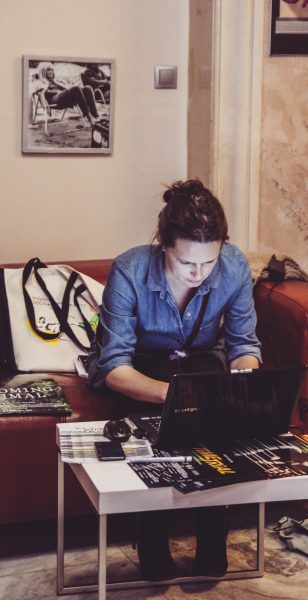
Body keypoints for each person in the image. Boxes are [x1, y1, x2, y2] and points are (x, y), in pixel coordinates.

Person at [88, 179, 261, 581]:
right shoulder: (129, 269)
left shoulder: (235, 265)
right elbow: (115, 366)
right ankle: (152, 541)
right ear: (164, 245)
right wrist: (182, 396)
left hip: (199, 366)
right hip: (141, 368)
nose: (198, 273)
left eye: (209, 262)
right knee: (177, 394)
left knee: (211, 385)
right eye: (186, 263)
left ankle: (213, 541)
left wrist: (242, 383)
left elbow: (243, 345)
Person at [34, 62, 100, 127]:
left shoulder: (56, 81)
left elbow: (66, 88)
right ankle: (90, 118)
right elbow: (42, 92)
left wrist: (66, 88)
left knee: (88, 88)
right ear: (43, 71)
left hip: (64, 98)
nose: (51, 71)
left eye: (52, 70)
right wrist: (57, 92)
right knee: (76, 88)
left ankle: (95, 116)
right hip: (53, 100)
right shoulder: (40, 82)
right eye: (48, 70)